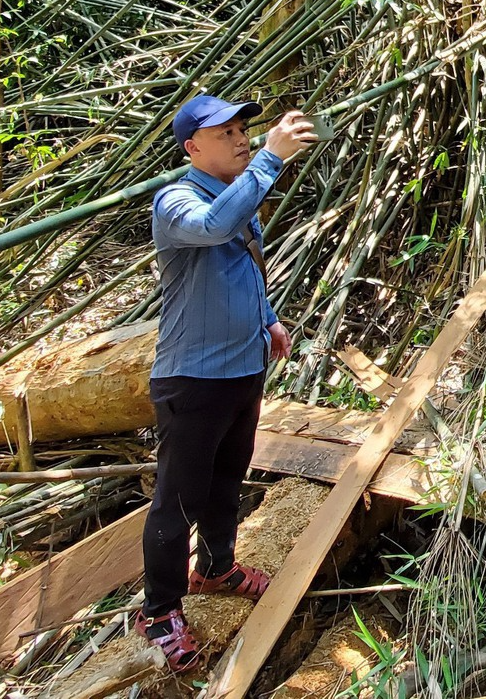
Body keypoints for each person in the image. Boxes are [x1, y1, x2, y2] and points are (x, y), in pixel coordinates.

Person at [136, 94, 317, 668]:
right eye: (225, 133)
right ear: (192, 148)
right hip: (193, 379)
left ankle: (216, 569)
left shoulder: (239, 195)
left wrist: (268, 320)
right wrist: (269, 158)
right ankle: (159, 611)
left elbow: (244, 260)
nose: (241, 138)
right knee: (177, 500)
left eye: (244, 128)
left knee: (226, 480)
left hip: (244, 368)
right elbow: (215, 230)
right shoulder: (177, 200)